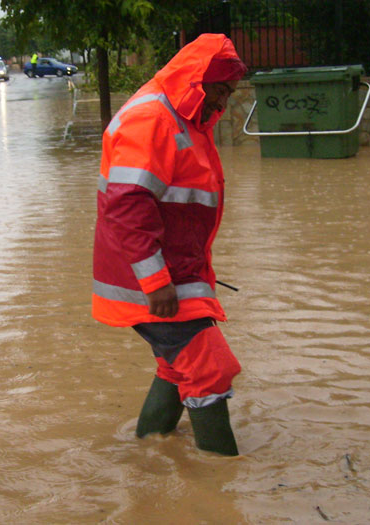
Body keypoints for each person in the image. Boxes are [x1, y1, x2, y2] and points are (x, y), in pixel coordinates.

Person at [91, 33, 248, 455]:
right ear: (199, 81)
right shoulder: (154, 119)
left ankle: (147, 452)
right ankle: (220, 486)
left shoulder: (182, 117)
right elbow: (126, 205)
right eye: (222, 90)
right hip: (155, 280)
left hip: (175, 273)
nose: (224, 103)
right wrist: (156, 280)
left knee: (179, 366)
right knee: (211, 370)